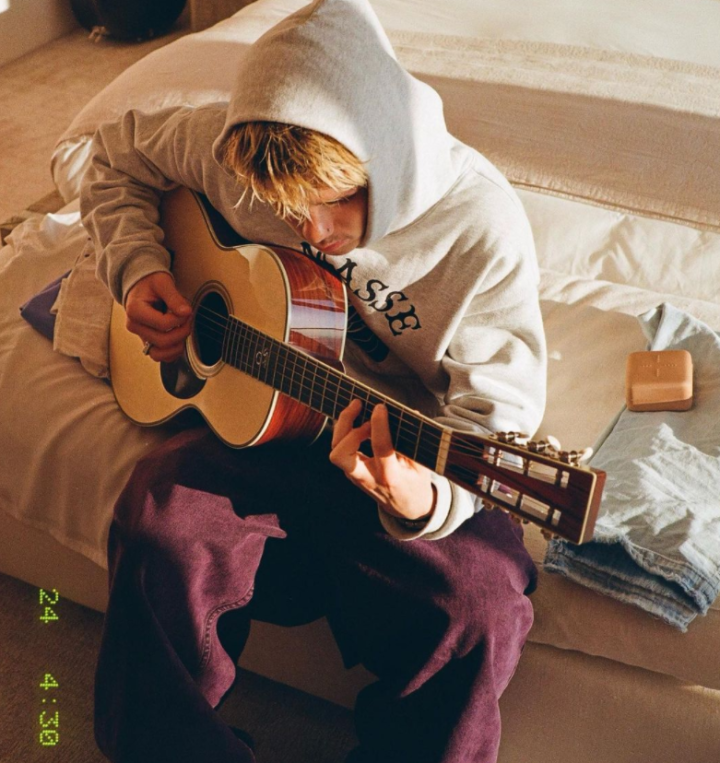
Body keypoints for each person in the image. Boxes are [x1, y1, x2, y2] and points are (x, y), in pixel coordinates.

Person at [80, 0, 546, 761]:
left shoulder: (479, 226)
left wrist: (424, 497)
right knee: (158, 515)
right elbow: (113, 157)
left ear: (383, 160)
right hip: (262, 421)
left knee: (480, 604)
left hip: (399, 451)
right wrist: (138, 270)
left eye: (332, 204)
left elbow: (498, 414)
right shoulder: (239, 152)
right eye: (285, 211)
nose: (311, 232)